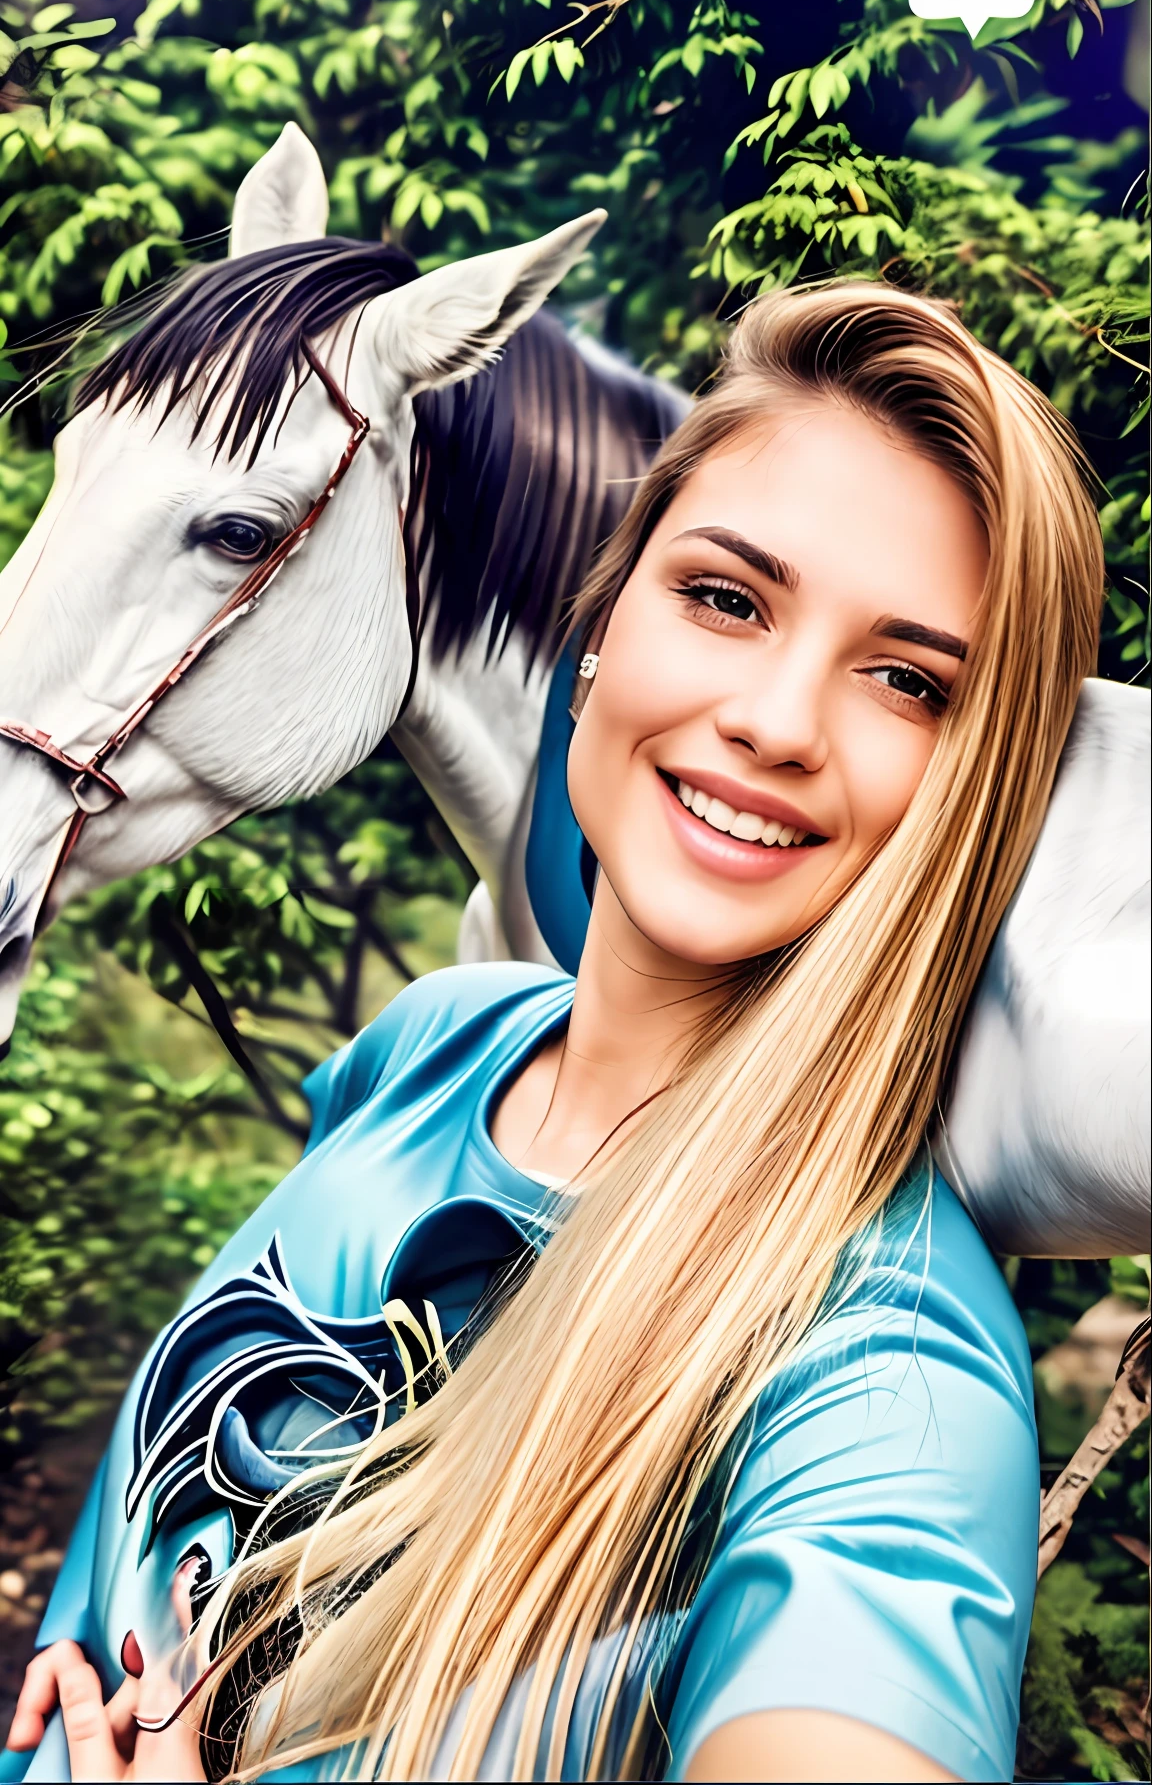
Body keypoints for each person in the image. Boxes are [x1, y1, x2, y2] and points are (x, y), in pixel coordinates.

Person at [6, 281, 1102, 1784]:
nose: (780, 721)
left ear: (970, 791)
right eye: (726, 597)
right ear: (599, 631)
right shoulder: (433, 1045)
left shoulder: (887, 1363)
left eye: (908, 682)